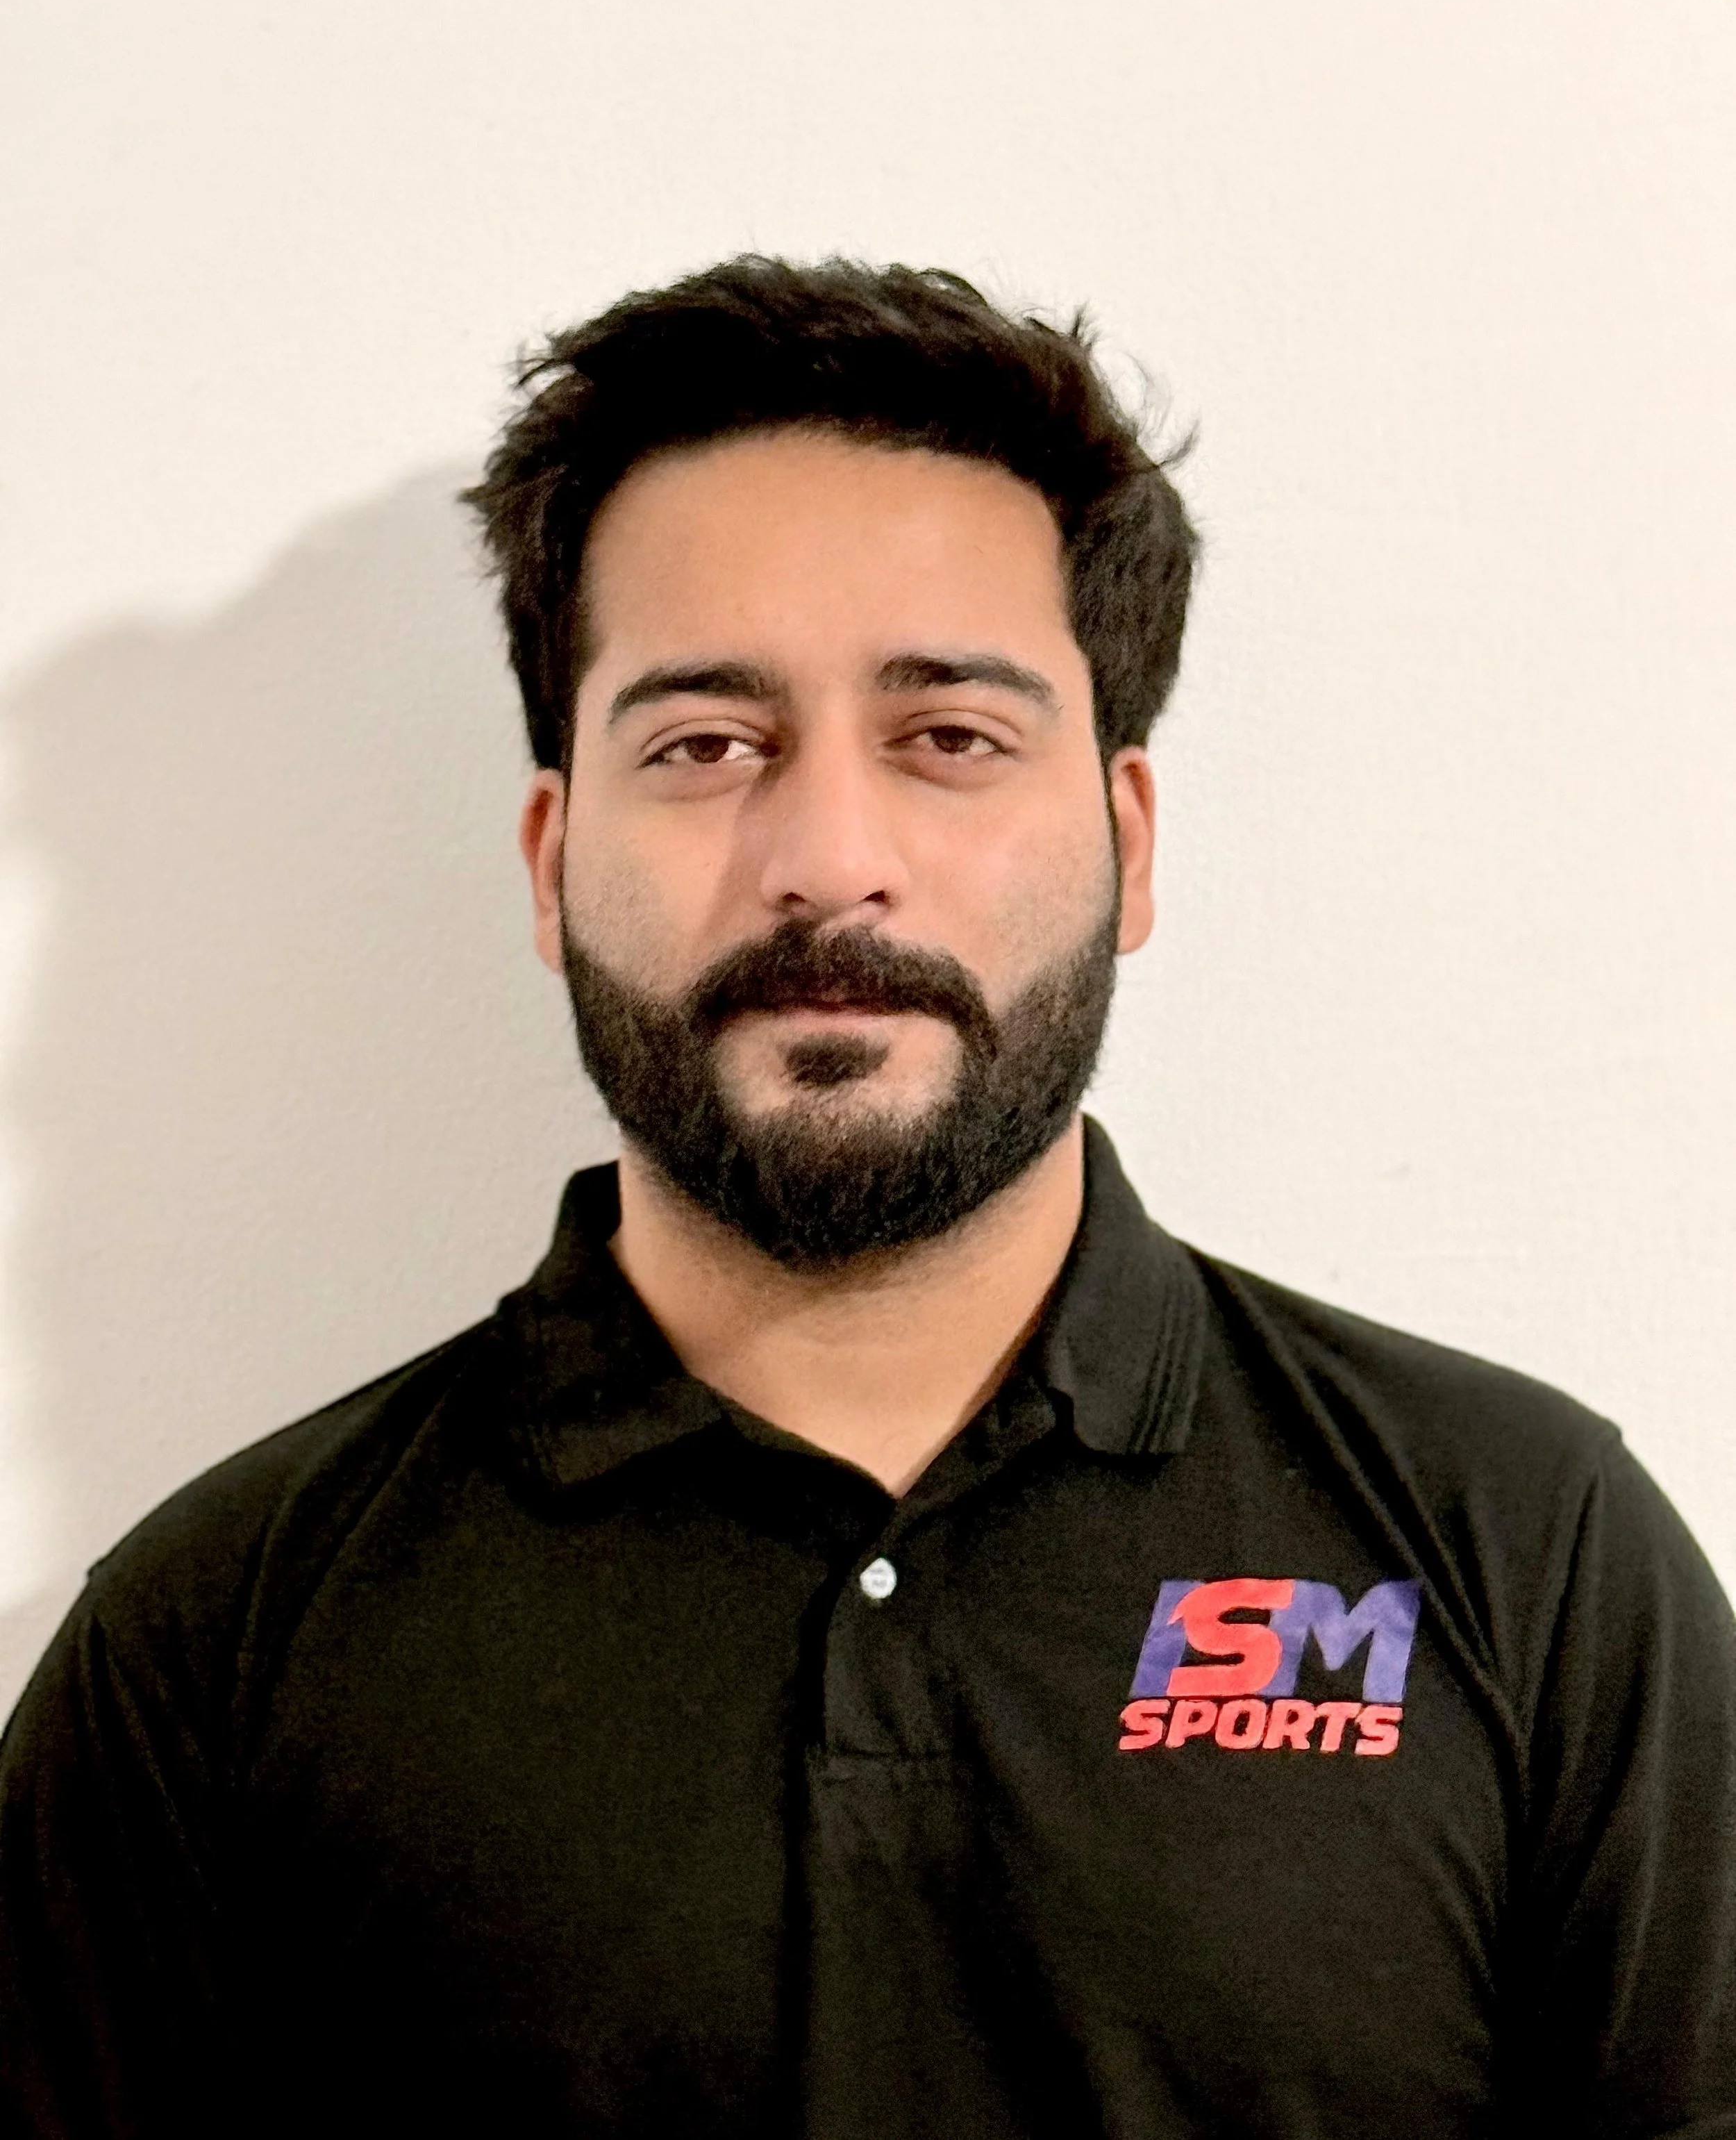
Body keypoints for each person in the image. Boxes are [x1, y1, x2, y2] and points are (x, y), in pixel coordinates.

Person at [1, 257, 1731, 2138]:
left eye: (949, 738)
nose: (829, 859)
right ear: (553, 853)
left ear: (1125, 842)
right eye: (704, 745)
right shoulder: (211, 1646)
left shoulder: (1524, 1557)